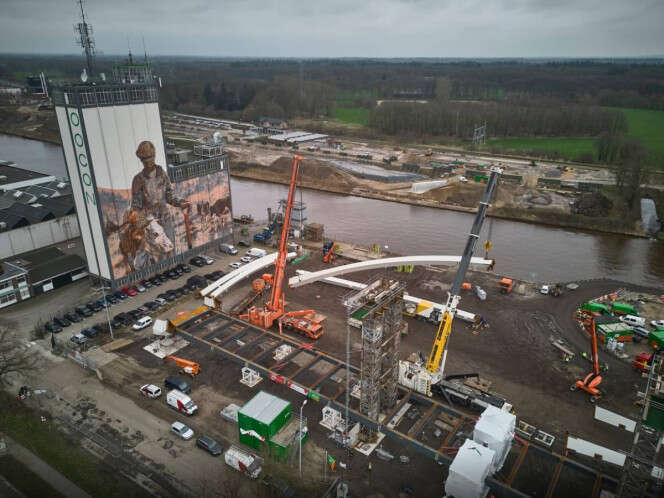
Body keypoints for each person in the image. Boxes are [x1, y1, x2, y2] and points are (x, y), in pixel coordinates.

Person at [127, 141, 189, 266]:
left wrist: (180, 203)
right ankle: (142, 274)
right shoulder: (138, 180)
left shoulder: (162, 175)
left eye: (149, 157)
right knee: (145, 253)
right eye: (144, 158)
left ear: (154, 156)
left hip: (164, 218)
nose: (147, 161)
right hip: (149, 222)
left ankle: (172, 270)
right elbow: (136, 206)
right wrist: (141, 225)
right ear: (141, 159)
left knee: (170, 246)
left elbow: (169, 196)